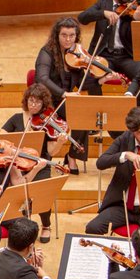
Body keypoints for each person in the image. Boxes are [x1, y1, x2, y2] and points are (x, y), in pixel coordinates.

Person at [86, 106, 140, 236]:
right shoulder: (124, 140)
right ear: (132, 131)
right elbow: (101, 162)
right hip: (122, 206)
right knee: (93, 227)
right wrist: (126, 155)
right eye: (139, 132)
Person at [34, 16, 97, 169]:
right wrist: (64, 94)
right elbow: (41, 78)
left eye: (72, 35)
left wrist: (102, 78)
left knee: (83, 114)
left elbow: (86, 83)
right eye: (64, 35)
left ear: (76, 36)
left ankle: (72, 156)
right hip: (49, 101)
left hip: (66, 101)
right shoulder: (47, 52)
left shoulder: (77, 54)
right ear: (57, 35)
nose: (68, 39)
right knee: (78, 112)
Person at [0, 88, 57, 241]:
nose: (33, 105)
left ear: (44, 104)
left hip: (40, 164)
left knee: (41, 190)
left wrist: (60, 141)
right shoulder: (16, 118)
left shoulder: (46, 122)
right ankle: (22, 225)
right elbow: (1, 137)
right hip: (18, 164)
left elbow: (52, 152)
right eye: (31, 100)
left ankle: (46, 225)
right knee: (17, 190)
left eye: (37, 102)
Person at [79, 0, 140, 82]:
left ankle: (132, 97)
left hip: (126, 56)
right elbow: (82, 18)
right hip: (104, 55)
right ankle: (98, 100)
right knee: (89, 78)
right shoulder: (102, 3)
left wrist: (137, 20)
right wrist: (103, 13)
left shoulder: (134, 9)